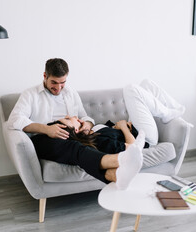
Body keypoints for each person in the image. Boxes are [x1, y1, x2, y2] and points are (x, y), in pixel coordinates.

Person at [8, 58, 144, 189]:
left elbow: (85, 116)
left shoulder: (70, 93)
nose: (58, 87)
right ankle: (120, 159)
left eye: (62, 82)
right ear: (45, 76)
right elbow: (15, 120)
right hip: (44, 137)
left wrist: (87, 125)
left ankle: (117, 175)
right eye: (54, 82)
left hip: (74, 132)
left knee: (98, 142)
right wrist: (47, 129)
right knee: (75, 148)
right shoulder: (31, 94)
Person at [123, 79, 186, 145]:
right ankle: (166, 113)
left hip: (131, 126)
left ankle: (175, 108)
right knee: (130, 89)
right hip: (142, 139)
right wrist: (123, 127)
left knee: (146, 83)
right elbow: (129, 145)